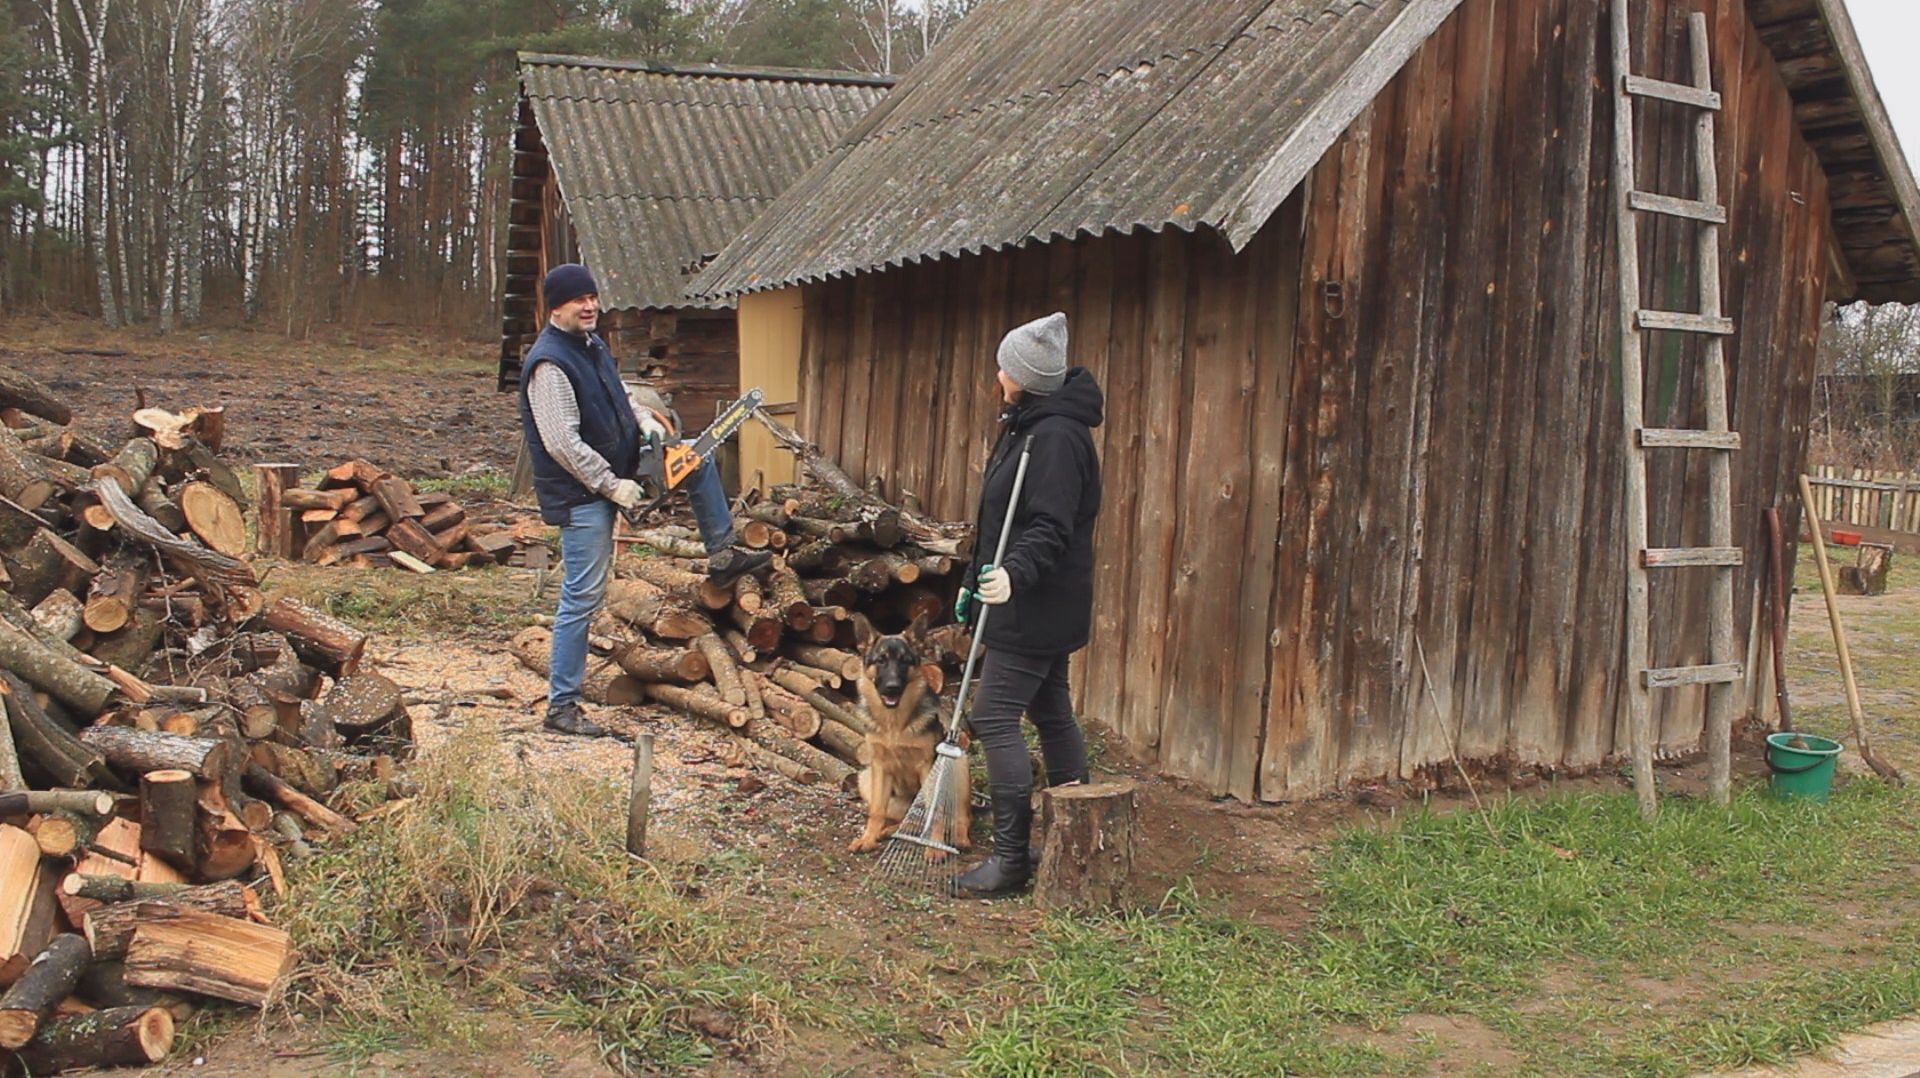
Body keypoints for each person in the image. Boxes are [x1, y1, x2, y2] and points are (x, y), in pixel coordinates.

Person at [518, 263, 770, 738]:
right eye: (579, 300)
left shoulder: (591, 345)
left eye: (592, 297)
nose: (590, 306)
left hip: (622, 464)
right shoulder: (550, 364)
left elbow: (620, 396)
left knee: (695, 458)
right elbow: (561, 443)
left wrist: (645, 421)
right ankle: (562, 707)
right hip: (581, 490)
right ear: (556, 307)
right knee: (582, 597)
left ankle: (723, 554)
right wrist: (610, 485)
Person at [950, 311, 1104, 897]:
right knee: (1051, 710)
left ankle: (1011, 861)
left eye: (1005, 368)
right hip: (1032, 598)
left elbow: (1049, 525)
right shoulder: (1026, 425)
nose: (998, 376)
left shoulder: (1056, 438)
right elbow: (998, 520)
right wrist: (972, 579)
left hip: (1037, 602)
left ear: (1026, 377)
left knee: (993, 716)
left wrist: (1014, 574)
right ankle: (1074, 843)